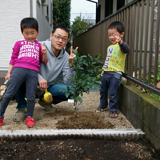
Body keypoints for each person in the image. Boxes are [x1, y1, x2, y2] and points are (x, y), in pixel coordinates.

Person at [13, 24, 78, 122]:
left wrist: (71, 66)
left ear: (67, 41)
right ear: (51, 36)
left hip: (48, 87)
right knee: (18, 76)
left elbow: (68, 81)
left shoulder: (66, 57)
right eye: (58, 37)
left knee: (73, 90)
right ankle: (22, 108)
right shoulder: (38, 46)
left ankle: (44, 101)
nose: (60, 41)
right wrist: (39, 78)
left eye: (64, 38)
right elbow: (23, 65)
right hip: (31, 82)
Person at [0, 17, 48, 127]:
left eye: (33, 33)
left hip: (33, 72)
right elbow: (13, 59)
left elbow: (44, 61)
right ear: (22, 33)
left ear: (37, 32)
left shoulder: (39, 46)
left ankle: (29, 116)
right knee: (9, 93)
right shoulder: (19, 44)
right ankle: (1, 115)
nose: (30, 36)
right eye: (27, 33)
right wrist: (8, 73)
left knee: (31, 96)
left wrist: (44, 53)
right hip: (18, 70)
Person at [96, 21, 130, 118]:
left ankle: (113, 109)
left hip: (116, 74)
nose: (111, 37)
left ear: (121, 34)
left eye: (114, 34)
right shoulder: (109, 47)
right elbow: (108, 59)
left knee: (113, 92)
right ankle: (103, 105)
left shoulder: (121, 46)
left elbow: (127, 49)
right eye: (109, 35)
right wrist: (103, 69)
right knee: (103, 90)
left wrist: (120, 42)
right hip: (106, 72)